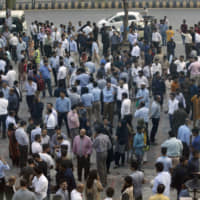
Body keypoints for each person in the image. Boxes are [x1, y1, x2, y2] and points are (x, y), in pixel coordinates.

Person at [93, 122, 112, 187]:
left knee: (100, 168)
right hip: (105, 152)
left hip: (99, 153)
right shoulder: (106, 136)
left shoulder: (97, 138)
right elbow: (110, 146)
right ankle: (105, 180)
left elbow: (94, 145)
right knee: (104, 167)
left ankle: (102, 182)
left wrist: (94, 138)